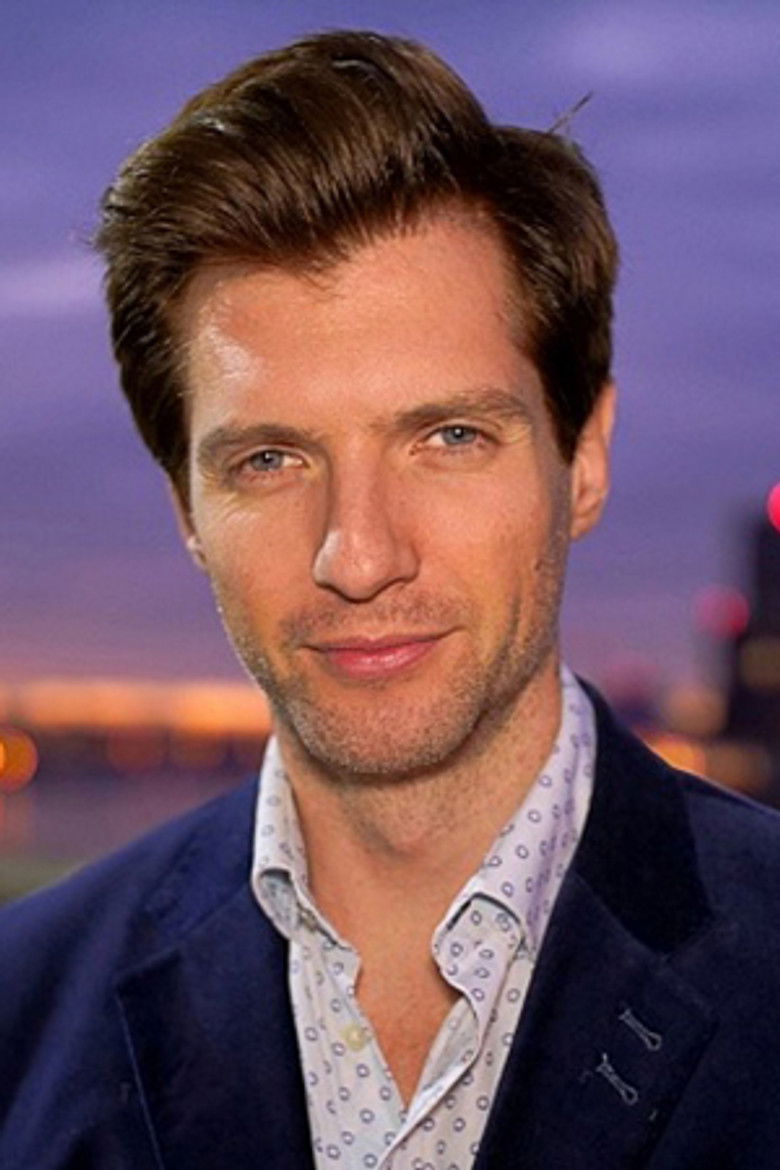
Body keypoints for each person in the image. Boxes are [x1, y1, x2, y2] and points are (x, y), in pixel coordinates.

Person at [2, 29, 779, 1170]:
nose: (358, 557)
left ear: (586, 459)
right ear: (186, 507)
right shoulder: (23, 1015)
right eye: (270, 460)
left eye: (448, 437)